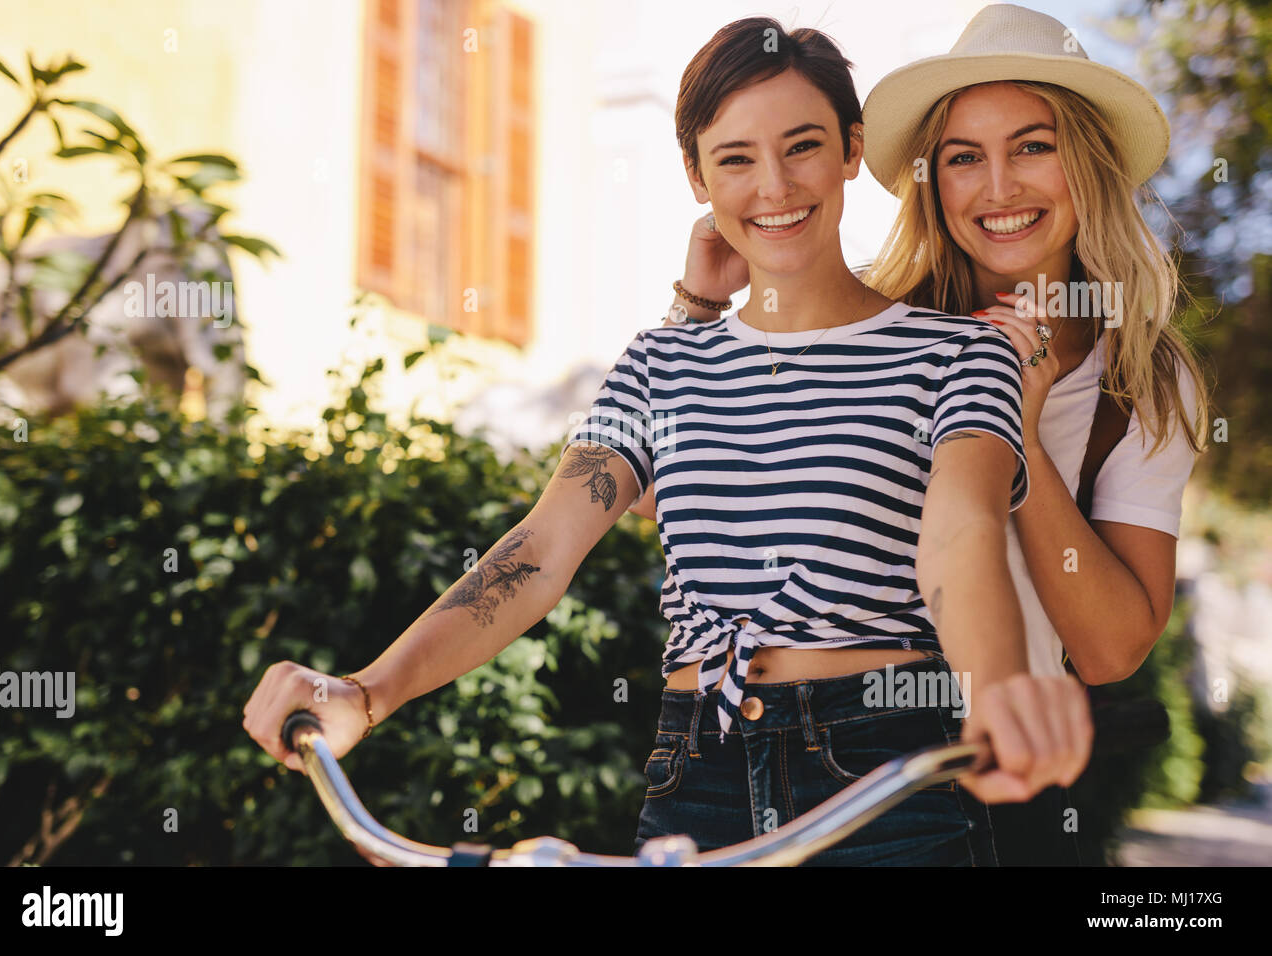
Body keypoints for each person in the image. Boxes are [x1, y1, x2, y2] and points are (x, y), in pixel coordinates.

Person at [242, 14, 1093, 867]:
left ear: (850, 149)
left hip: (880, 770)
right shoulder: (661, 362)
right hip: (696, 774)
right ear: (696, 176)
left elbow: (961, 532)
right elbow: (540, 548)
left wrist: (998, 686)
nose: (774, 186)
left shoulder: (958, 352)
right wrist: (365, 692)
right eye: (735, 158)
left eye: (802, 146)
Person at [637, 3, 1209, 865]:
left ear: (1085, 163)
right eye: (963, 158)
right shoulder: (863, 317)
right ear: (932, 180)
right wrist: (697, 311)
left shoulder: (1145, 379)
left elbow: (1112, 647)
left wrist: (1013, 427)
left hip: (1002, 772)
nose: (999, 188)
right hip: (837, 761)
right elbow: (662, 498)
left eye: (1033, 146)